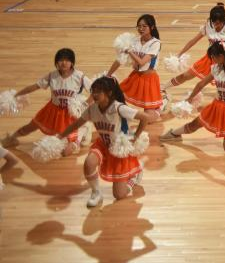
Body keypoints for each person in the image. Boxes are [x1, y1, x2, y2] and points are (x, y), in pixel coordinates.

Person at [57, 75, 159, 206]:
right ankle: (96, 193)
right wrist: (60, 136)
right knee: (88, 163)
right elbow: (76, 124)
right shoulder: (92, 109)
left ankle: (134, 176)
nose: (94, 94)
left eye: (98, 92)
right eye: (93, 91)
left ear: (109, 93)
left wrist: (135, 137)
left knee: (119, 195)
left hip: (119, 149)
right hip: (103, 145)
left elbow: (145, 117)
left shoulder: (119, 108)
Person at [2, 48, 88, 157]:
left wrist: (85, 104)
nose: (64, 63)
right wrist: (16, 95)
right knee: (31, 126)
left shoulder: (79, 76)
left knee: (65, 152)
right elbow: (34, 86)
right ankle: (12, 138)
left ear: (72, 62)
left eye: (67, 60)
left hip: (70, 114)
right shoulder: (52, 75)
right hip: (52, 111)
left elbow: (95, 89)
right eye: (61, 60)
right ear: (56, 62)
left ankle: (82, 133)